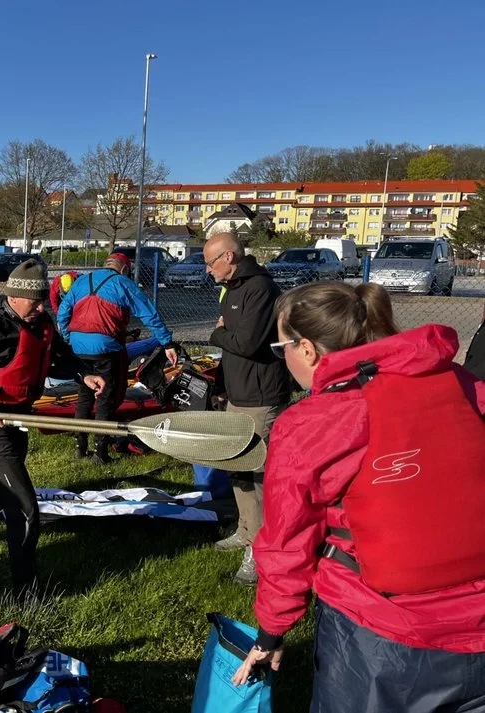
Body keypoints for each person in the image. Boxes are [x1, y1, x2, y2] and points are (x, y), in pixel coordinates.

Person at [232, 282, 485, 712]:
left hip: (381, 635)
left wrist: (272, 631)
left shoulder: (315, 423)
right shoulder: (466, 386)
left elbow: (287, 540)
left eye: (281, 348)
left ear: (307, 349)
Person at [0, 259, 105, 592]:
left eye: (43, 301)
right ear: (13, 295)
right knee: (24, 505)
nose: (41, 307)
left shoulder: (41, 322)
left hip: (22, 416)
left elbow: (61, 355)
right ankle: (27, 589)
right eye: (35, 301)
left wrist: (85, 373)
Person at [203, 232, 291, 585]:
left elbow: (248, 342)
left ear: (229, 257)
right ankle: (245, 528)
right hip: (237, 394)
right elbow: (234, 344)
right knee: (237, 465)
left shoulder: (260, 289)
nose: (208, 270)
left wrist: (216, 334)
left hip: (261, 397)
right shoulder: (232, 290)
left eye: (211, 263)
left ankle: (260, 550)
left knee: (260, 474)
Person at [56, 252, 176, 465]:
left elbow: (63, 312)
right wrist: (167, 342)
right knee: (105, 399)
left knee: (84, 397)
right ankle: (100, 452)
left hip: (79, 347)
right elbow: (149, 314)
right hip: (106, 348)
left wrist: (69, 338)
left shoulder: (82, 281)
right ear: (124, 269)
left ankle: (79, 446)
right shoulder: (123, 284)